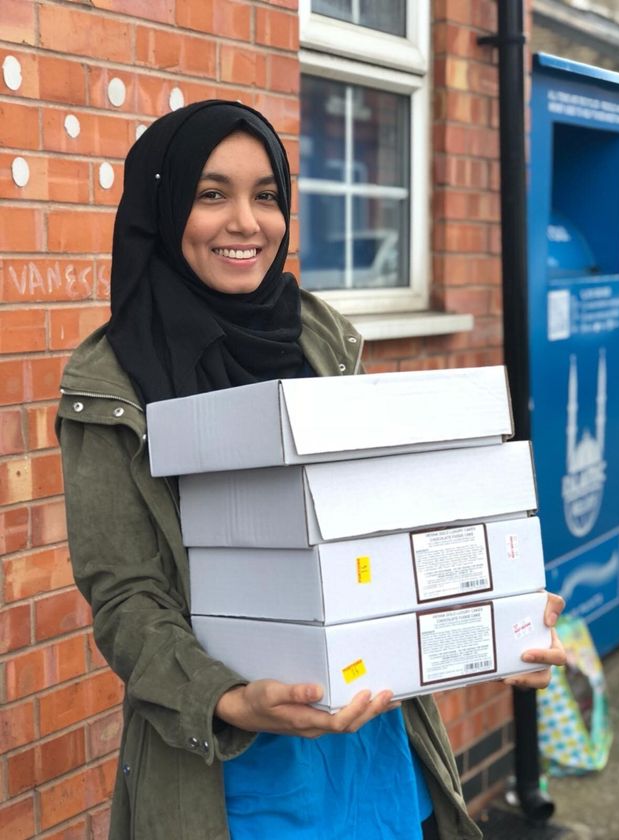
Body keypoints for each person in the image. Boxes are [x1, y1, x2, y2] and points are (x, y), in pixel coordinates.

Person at [56, 100, 566, 840]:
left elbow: (389, 525)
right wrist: (231, 699)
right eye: (210, 194)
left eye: (266, 195)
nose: (247, 222)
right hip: (231, 778)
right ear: (162, 209)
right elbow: (126, 597)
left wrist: (494, 610)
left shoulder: (319, 335)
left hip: (376, 746)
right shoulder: (110, 381)